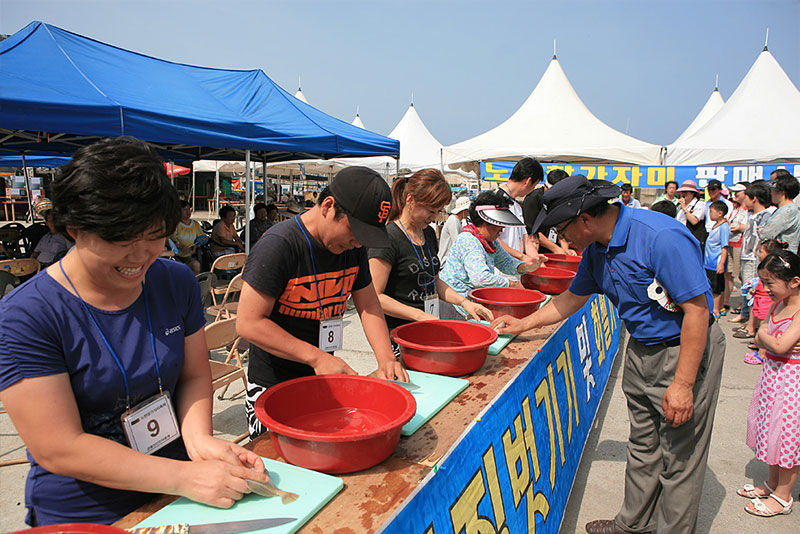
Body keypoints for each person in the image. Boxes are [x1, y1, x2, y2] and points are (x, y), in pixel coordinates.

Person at [0, 138, 266, 527]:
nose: (141, 255)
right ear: (74, 229)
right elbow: (58, 447)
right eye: (121, 240)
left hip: (180, 490)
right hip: (87, 510)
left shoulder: (175, 281)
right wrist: (184, 476)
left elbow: (194, 375)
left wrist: (199, 442)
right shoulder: (26, 316)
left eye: (154, 235)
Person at [493, 175, 724, 534]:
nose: (561, 240)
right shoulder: (598, 249)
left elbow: (697, 311)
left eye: (562, 229)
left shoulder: (659, 237)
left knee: (680, 456)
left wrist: (683, 383)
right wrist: (521, 325)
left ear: (585, 220)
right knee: (644, 444)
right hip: (643, 348)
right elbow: (571, 299)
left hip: (684, 349)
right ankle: (633, 524)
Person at [235, 166, 408, 439]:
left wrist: (386, 357)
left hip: (324, 380)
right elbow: (248, 323)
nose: (356, 243)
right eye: (355, 232)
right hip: (274, 386)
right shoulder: (280, 245)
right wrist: (316, 357)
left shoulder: (354, 248)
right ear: (328, 206)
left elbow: (368, 304)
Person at [369, 169, 492, 340]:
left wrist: (464, 303)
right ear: (410, 200)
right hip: (398, 333)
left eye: (438, 211)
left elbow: (434, 280)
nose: (434, 217)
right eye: (430, 211)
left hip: (427, 325)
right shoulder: (389, 238)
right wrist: (418, 315)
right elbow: (374, 296)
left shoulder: (427, 233)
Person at [736, 249, 800, 517]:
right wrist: (766, 338)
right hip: (773, 378)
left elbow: (777, 343)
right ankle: (773, 484)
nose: (765, 288)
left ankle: (783, 496)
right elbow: (768, 342)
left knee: (787, 437)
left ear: (794, 281)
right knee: (771, 431)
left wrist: (763, 335)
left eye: (770, 282)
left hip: (791, 382)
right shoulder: (778, 305)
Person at [439, 190, 539, 304]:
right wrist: (511, 284)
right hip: (455, 302)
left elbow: (505, 262)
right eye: (499, 224)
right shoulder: (468, 240)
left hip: (469, 301)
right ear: (485, 222)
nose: (502, 229)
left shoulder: (490, 241)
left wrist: (525, 267)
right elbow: (480, 278)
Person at [735, 183, 775, 325]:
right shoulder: (751, 214)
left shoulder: (766, 215)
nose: (744, 201)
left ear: (754, 199)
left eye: (746, 197)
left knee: (754, 290)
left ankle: (753, 323)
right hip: (747, 255)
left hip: (754, 257)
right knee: (747, 288)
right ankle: (747, 316)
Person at [496, 158, 542, 268]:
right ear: (528, 181)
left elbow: (525, 238)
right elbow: (493, 239)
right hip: (498, 271)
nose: (532, 190)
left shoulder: (516, 206)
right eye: (534, 185)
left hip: (514, 270)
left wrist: (537, 260)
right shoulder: (495, 200)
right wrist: (521, 256)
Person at [526, 168, 575, 256]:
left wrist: (565, 249)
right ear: (546, 187)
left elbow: (562, 227)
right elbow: (531, 231)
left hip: (554, 248)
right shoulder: (533, 199)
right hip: (536, 251)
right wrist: (556, 249)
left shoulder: (563, 201)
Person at [724, 184, 749, 314]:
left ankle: (745, 305)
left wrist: (739, 227)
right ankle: (726, 302)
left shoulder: (748, 209)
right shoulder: (735, 208)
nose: (735, 195)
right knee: (728, 273)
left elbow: (748, 227)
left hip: (741, 245)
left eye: (737, 192)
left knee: (741, 274)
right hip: (730, 243)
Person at [761, 173, 800, 253]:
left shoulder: (788, 211)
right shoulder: (783, 209)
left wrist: (760, 228)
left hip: (781, 257)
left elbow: (765, 234)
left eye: (773, 190)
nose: (771, 192)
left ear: (782, 192)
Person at [704, 200, 730, 317]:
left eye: (711, 211)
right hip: (708, 262)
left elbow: (724, 246)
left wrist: (721, 263)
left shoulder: (724, 227)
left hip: (716, 262)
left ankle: (716, 310)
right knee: (711, 285)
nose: (709, 214)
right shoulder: (715, 225)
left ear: (720, 213)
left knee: (716, 288)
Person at [171, 200, 205, 274]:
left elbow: (202, 238)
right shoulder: (175, 225)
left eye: (189, 209)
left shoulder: (195, 224)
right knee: (179, 268)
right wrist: (180, 246)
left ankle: (194, 284)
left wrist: (195, 246)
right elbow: (169, 241)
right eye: (185, 209)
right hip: (175, 256)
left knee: (196, 265)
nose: (188, 212)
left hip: (189, 255)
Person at [438, 195, 470, 263]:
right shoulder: (453, 221)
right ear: (464, 210)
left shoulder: (458, 221)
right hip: (446, 260)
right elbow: (456, 242)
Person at [676, 179, 707, 245]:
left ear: (693, 193)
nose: (683, 194)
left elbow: (694, 221)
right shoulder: (679, 206)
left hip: (692, 238)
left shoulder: (699, 204)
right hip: (680, 236)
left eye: (686, 192)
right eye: (682, 192)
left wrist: (684, 208)